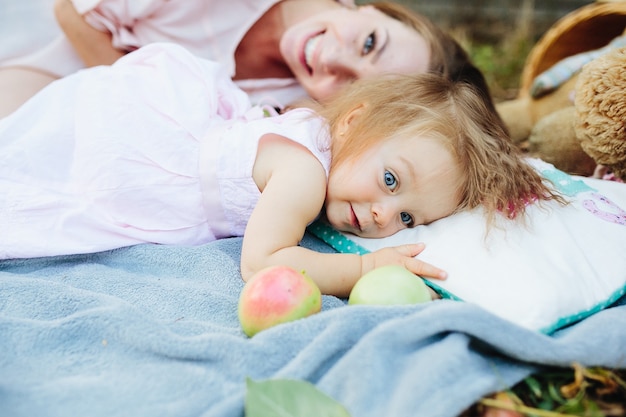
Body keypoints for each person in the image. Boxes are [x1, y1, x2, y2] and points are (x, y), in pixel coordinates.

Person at [0, 43, 557, 297]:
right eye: (391, 180)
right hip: (147, 159)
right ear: (352, 124)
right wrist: (362, 273)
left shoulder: (315, 139)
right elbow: (263, 262)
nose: (385, 214)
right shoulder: (303, 173)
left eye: (408, 217)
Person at [0, 0, 494, 119]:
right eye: (369, 43)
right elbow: (71, 11)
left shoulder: (292, 97)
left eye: (354, 87)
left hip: (73, 97)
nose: (333, 61)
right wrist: (144, 82)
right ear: (364, 7)